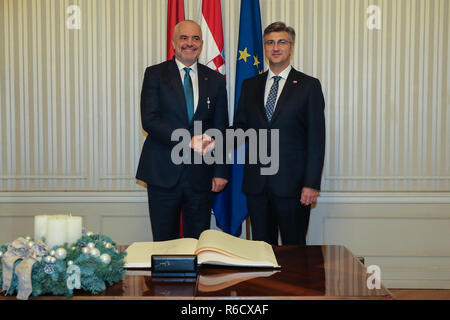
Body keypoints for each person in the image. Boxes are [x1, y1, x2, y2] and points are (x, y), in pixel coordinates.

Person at [233, 21, 325, 245]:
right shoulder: (250, 85)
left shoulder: (308, 86)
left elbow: (316, 138)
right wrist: (213, 139)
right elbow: (240, 127)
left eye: (281, 42)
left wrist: (311, 184)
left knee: (294, 252)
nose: (275, 47)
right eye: (270, 42)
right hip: (257, 187)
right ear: (264, 48)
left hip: (293, 187)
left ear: (291, 47)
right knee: (262, 251)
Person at [136, 20, 229, 241]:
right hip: (162, 172)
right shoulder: (155, 74)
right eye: (184, 38)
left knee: (198, 243)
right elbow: (149, 120)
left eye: (195, 38)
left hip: (201, 175)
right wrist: (187, 140)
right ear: (174, 43)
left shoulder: (214, 79)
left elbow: (221, 128)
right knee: (163, 242)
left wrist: (220, 171)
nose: (190, 43)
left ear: (202, 43)